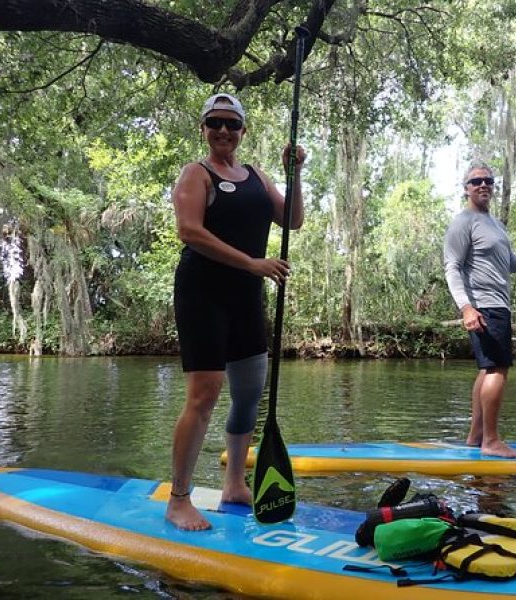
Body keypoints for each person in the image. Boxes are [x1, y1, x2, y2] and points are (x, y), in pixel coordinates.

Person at [166, 93, 305, 530]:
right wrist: (253, 264)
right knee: (204, 394)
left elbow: (293, 220)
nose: (223, 130)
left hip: (246, 296)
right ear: (204, 128)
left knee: (248, 394)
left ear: (243, 131)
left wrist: (294, 173)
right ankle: (179, 498)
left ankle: (233, 484)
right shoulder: (196, 173)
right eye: (215, 123)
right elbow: (189, 231)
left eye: (231, 124)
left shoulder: (257, 176)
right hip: (203, 293)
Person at [443, 162, 516, 459]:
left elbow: (508, 264)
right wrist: (466, 308)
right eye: (476, 181)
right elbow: (452, 267)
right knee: (497, 369)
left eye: (488, 180)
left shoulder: (496, 225)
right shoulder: (463, 222)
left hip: (499, 305)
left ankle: (476, 437)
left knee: (488, 368)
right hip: (483, 307)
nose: (483, 185)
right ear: (466, 188)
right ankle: (491, 441)